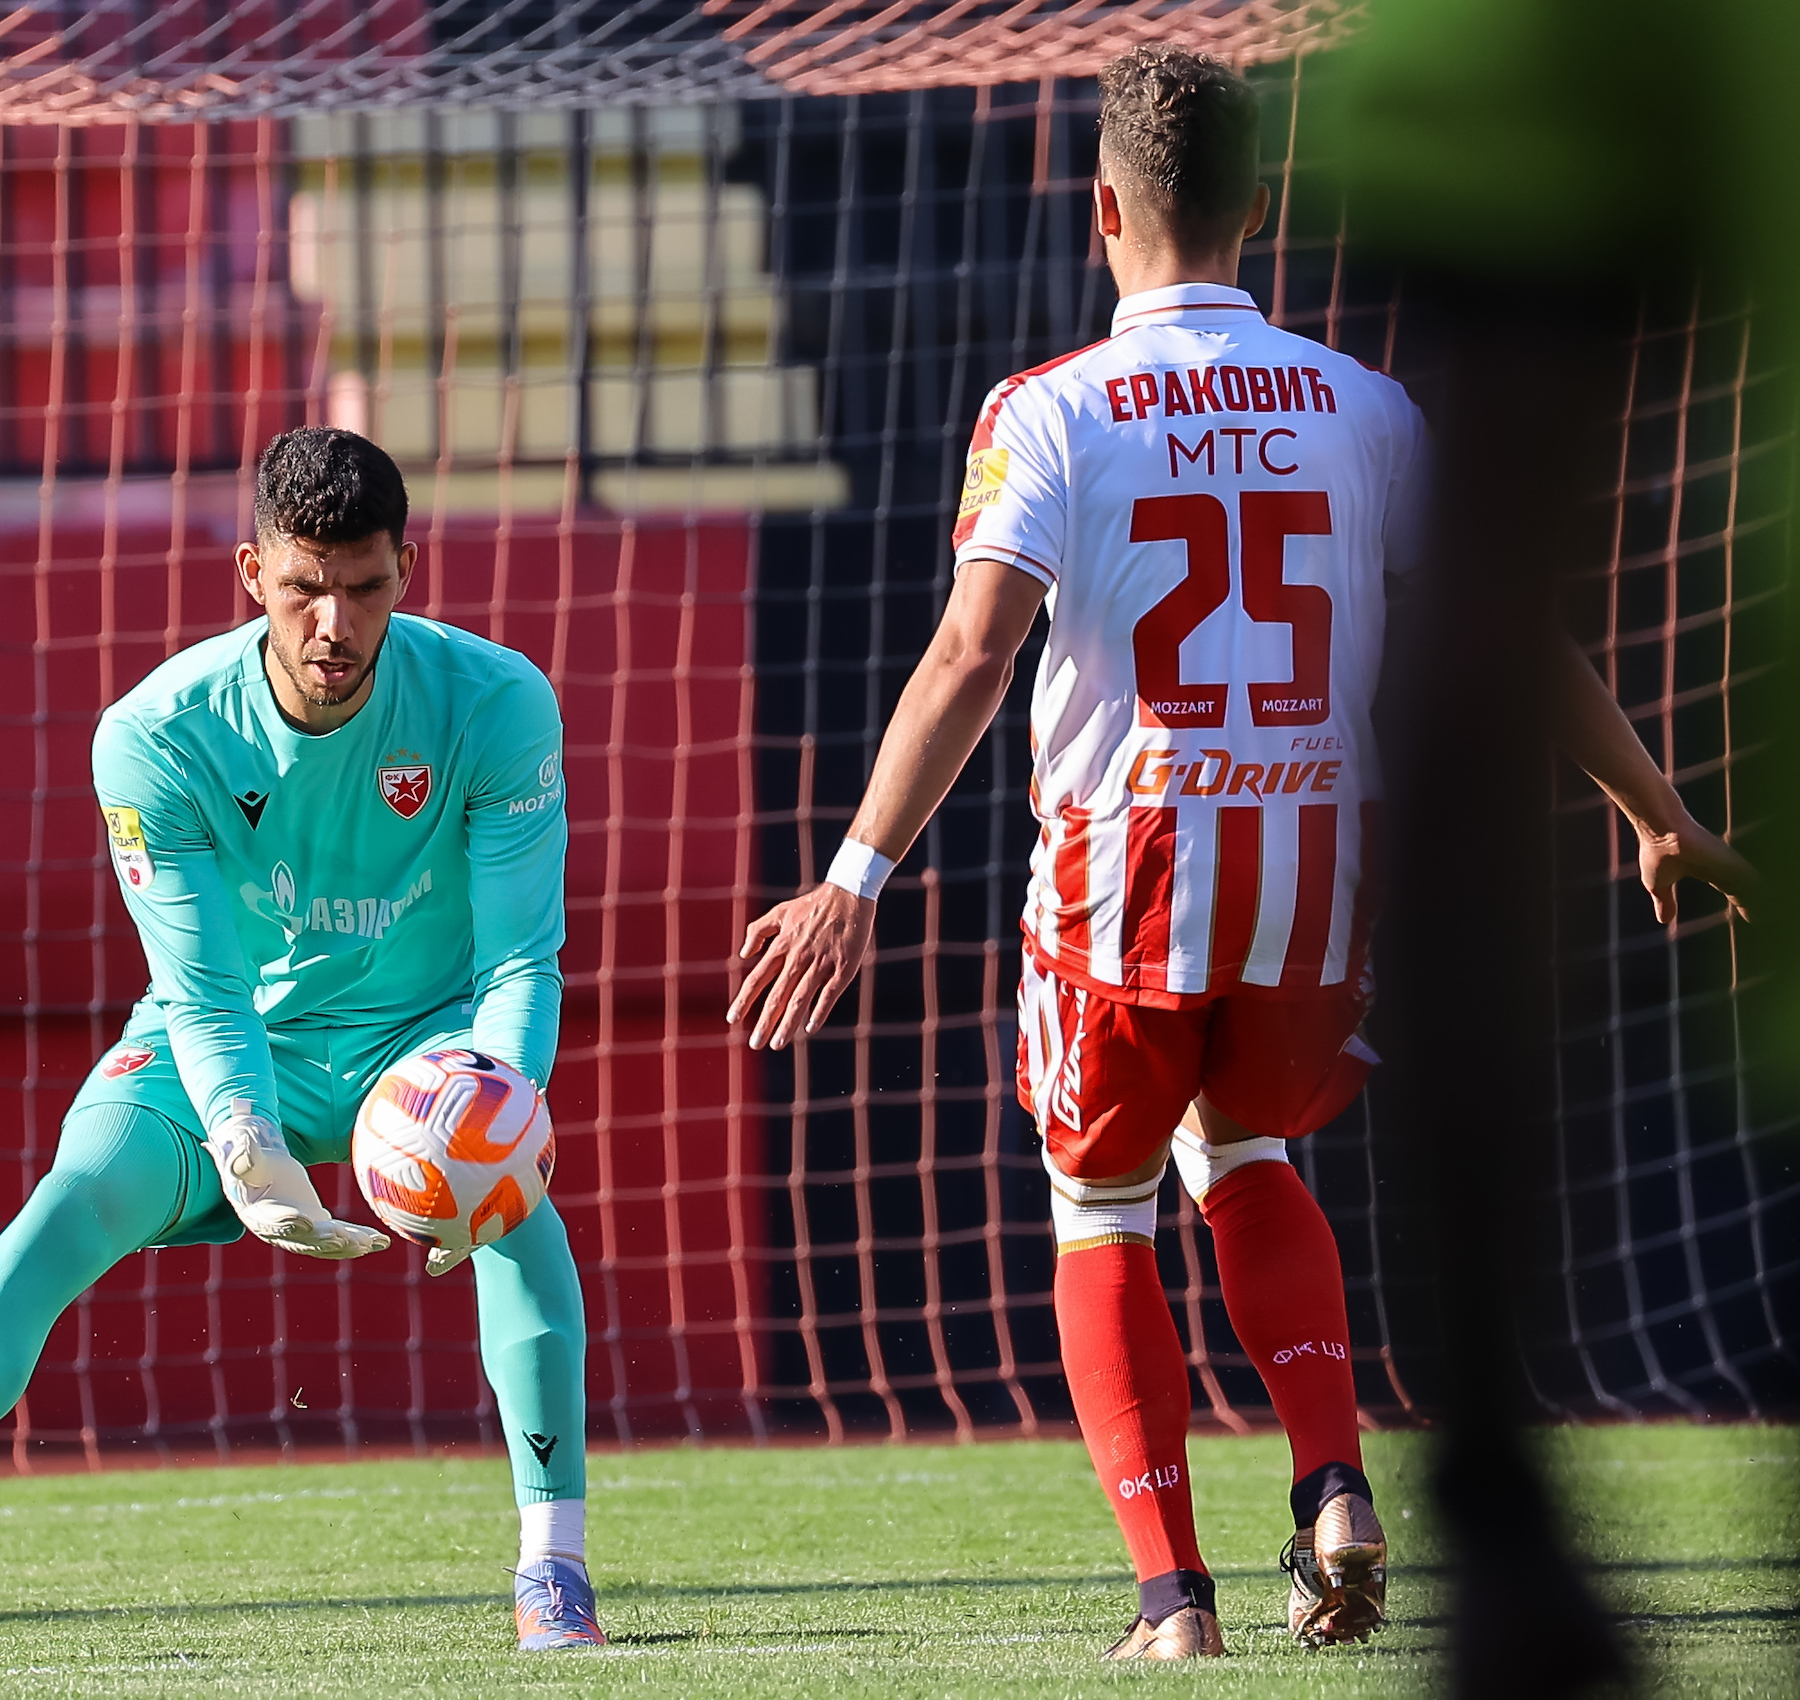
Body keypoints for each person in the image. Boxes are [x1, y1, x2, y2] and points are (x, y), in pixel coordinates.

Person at [726, 45, 1756, 1662]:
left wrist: (852, 876)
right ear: (1261, 212)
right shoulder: (1369, 405)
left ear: (1103, 211)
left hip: (1125, 890)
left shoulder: (1047, 411)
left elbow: (973, 656)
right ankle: (1335, 1483)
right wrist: (1656, 810)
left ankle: (1173, 1602)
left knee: (1100, 1210)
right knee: (1250, 1158)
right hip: (1312, 893)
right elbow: (1505, 626)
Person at [0, 427, 603, 1663]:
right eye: (304, 585)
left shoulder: (499, 703)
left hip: (419, 1054)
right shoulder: (153, 735)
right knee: (73, 1201)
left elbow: (521, 960)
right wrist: (250, 1148)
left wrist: (504, 1104)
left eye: (363, 586)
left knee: (521, 1210)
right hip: (225, 1046)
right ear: (252, 570)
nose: (334, 623)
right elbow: (200, 993)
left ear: (406, 571)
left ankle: (554, 1573)